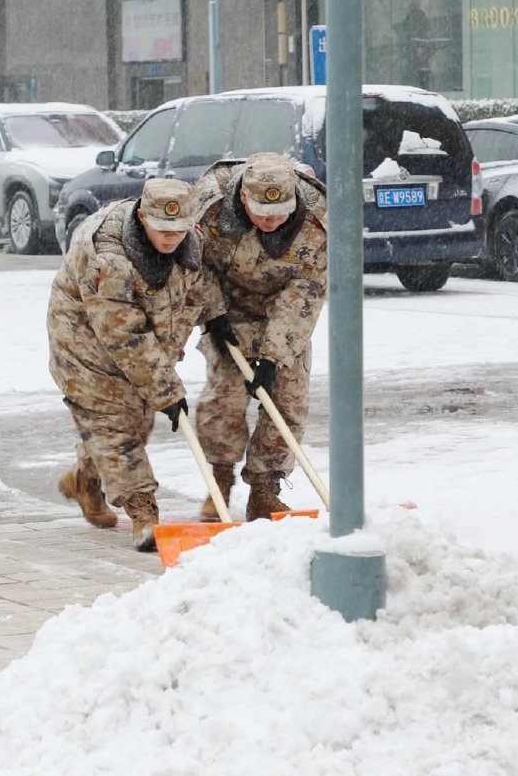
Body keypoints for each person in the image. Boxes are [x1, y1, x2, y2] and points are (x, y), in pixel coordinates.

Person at [48, 177, 219, 552]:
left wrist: (215, 314)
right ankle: (144, 513)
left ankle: (85, 481)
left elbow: (197, 284)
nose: (172, 237)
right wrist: (168, 391)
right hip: (85, 339)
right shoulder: (107, 257)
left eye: (179, 229)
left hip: (146, 337)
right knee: (114, 423)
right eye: (162, 229)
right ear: (142, 217)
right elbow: (124, 337)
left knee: (137, 422)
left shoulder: (192, 239)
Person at [190, 152, 328, 521]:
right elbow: (192, 263)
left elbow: (306, 292)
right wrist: (213, 313)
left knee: (288, 400)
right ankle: (219, 481)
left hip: (281, 311)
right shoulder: (210, 205)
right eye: (262, 213)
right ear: (243, 200)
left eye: (281, 212)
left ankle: (265, 491)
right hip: (224, 305)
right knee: (225, 396)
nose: (272, 220)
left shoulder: (317, 221)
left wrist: (272, 356)